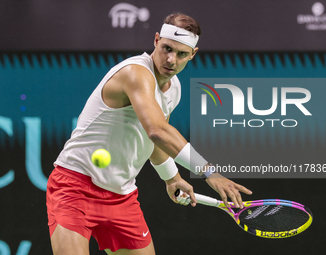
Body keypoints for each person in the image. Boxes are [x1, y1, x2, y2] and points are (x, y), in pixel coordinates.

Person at [46, 13, 252, 255]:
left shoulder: (173, 88)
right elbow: (157, 131)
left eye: (181, 53)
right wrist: (209, 172)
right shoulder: (135, 73)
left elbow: (152, 141)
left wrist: (172, 178)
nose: (171, 60)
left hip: (121, 196)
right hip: (75, 187)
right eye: (166, 48)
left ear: (193, 54)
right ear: (156, 40)